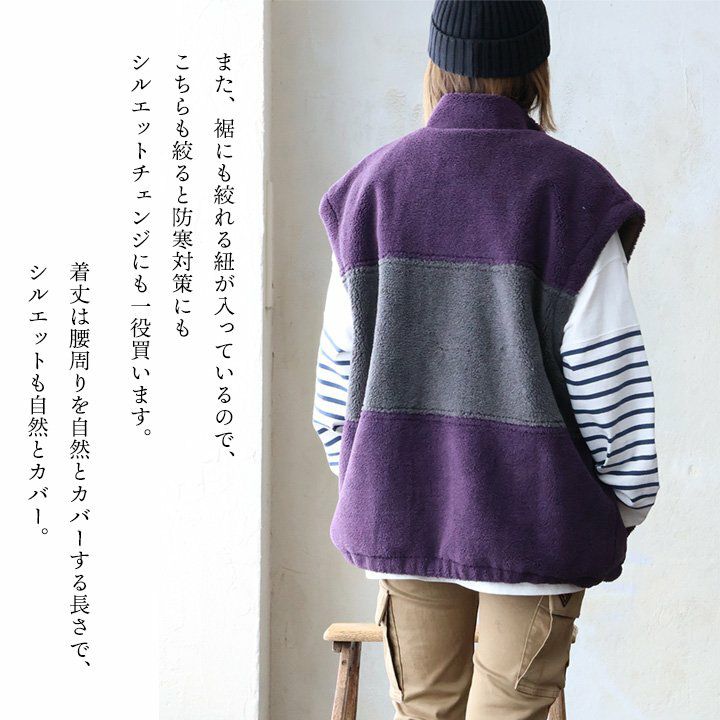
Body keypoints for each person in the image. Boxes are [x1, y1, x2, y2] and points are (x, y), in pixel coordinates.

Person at [311, 2, 659, 718]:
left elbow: (334, 397)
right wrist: (616, 510)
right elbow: (611, 392)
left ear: (435, 65)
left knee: (425, 711)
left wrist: (383, 480)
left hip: (401, 516)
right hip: (537, 529)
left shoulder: (371, 191)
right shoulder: (573, 194)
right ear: (538, 69)